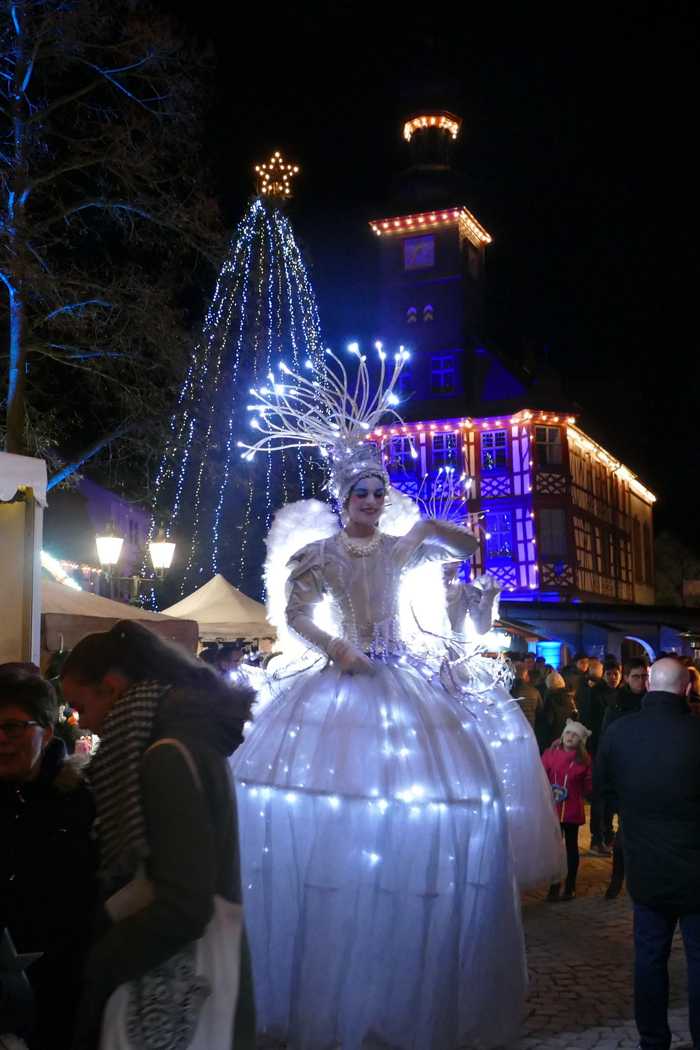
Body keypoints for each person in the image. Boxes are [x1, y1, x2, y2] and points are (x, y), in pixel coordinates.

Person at [232, 349, 530, 1050]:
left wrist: (431, 531)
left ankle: (394, 943)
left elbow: (468, 544)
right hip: (347, 678)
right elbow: (298, 611)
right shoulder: (325, 556)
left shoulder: (399, 546)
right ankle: (337, 925)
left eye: (377, 492)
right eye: (360, 493)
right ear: (343, 500)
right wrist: (339, 650)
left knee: (421, 795)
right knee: (338, 795)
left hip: (400, 682)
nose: (369, 502)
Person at [59, 621, 256, 1050]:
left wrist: (106, 959)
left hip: (174, 977)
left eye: (80, 706)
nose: (84, 723)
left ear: (111, 688)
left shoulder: (164, 754)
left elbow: (184, 904)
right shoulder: (180, 736)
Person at [596, 658, 700, 1050]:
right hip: (696, 868)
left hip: (646, 865)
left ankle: (653, 1041)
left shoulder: (620, 733)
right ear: (686, 689)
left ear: (648, 685)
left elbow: (602, 792)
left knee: (650, 958)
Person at [0, 667, 97, 1050]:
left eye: (12, 728)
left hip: (60, 992)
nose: (1, 741)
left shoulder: (80, 802)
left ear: (47, 732)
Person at [598, 658, 649, 899]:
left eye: (644, 676)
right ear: (627, 678)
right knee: (623, 832)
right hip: (625, 775)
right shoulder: (616, 706)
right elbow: (607, 744)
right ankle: (617, 877)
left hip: (648, 774)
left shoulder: (652, 703)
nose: (641, 681)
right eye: (636, 676)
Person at [541, 719, 593, 902]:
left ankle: (570, 885)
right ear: (562, 736)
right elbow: (541, 775)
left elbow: (588, 785)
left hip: (571, 810)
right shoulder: (550, 755)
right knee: (555, 849)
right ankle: (554, 885)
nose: (570, 737)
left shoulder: (584, 761)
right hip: (553, 808)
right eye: (568, 733)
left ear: (580, 741)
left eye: (575, 735)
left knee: (571, 848)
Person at [536, 670, 577, 751]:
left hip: (553, 739)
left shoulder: (550, 700)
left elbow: (548, 722)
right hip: (568, 737)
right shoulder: (570, 699)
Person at [511, 663, 543, 728]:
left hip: (514, 726)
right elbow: (540, 709)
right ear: (525, 675)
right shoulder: (534, 691)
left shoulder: (509, 691)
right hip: (530, 725)